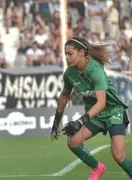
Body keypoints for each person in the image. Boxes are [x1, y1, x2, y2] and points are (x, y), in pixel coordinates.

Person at [51, 38, 132, 179]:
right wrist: (56, 120)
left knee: (118, 155)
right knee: (73, 141)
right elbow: (64, 95)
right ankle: (97, 167)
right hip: (96, 115)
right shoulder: (69, 74)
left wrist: (80, 121)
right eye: (65, 54)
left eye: (70, 54)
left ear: (82, 52)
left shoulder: (95, 70)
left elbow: (101, 103)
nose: (67, 58)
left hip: (113, 112)